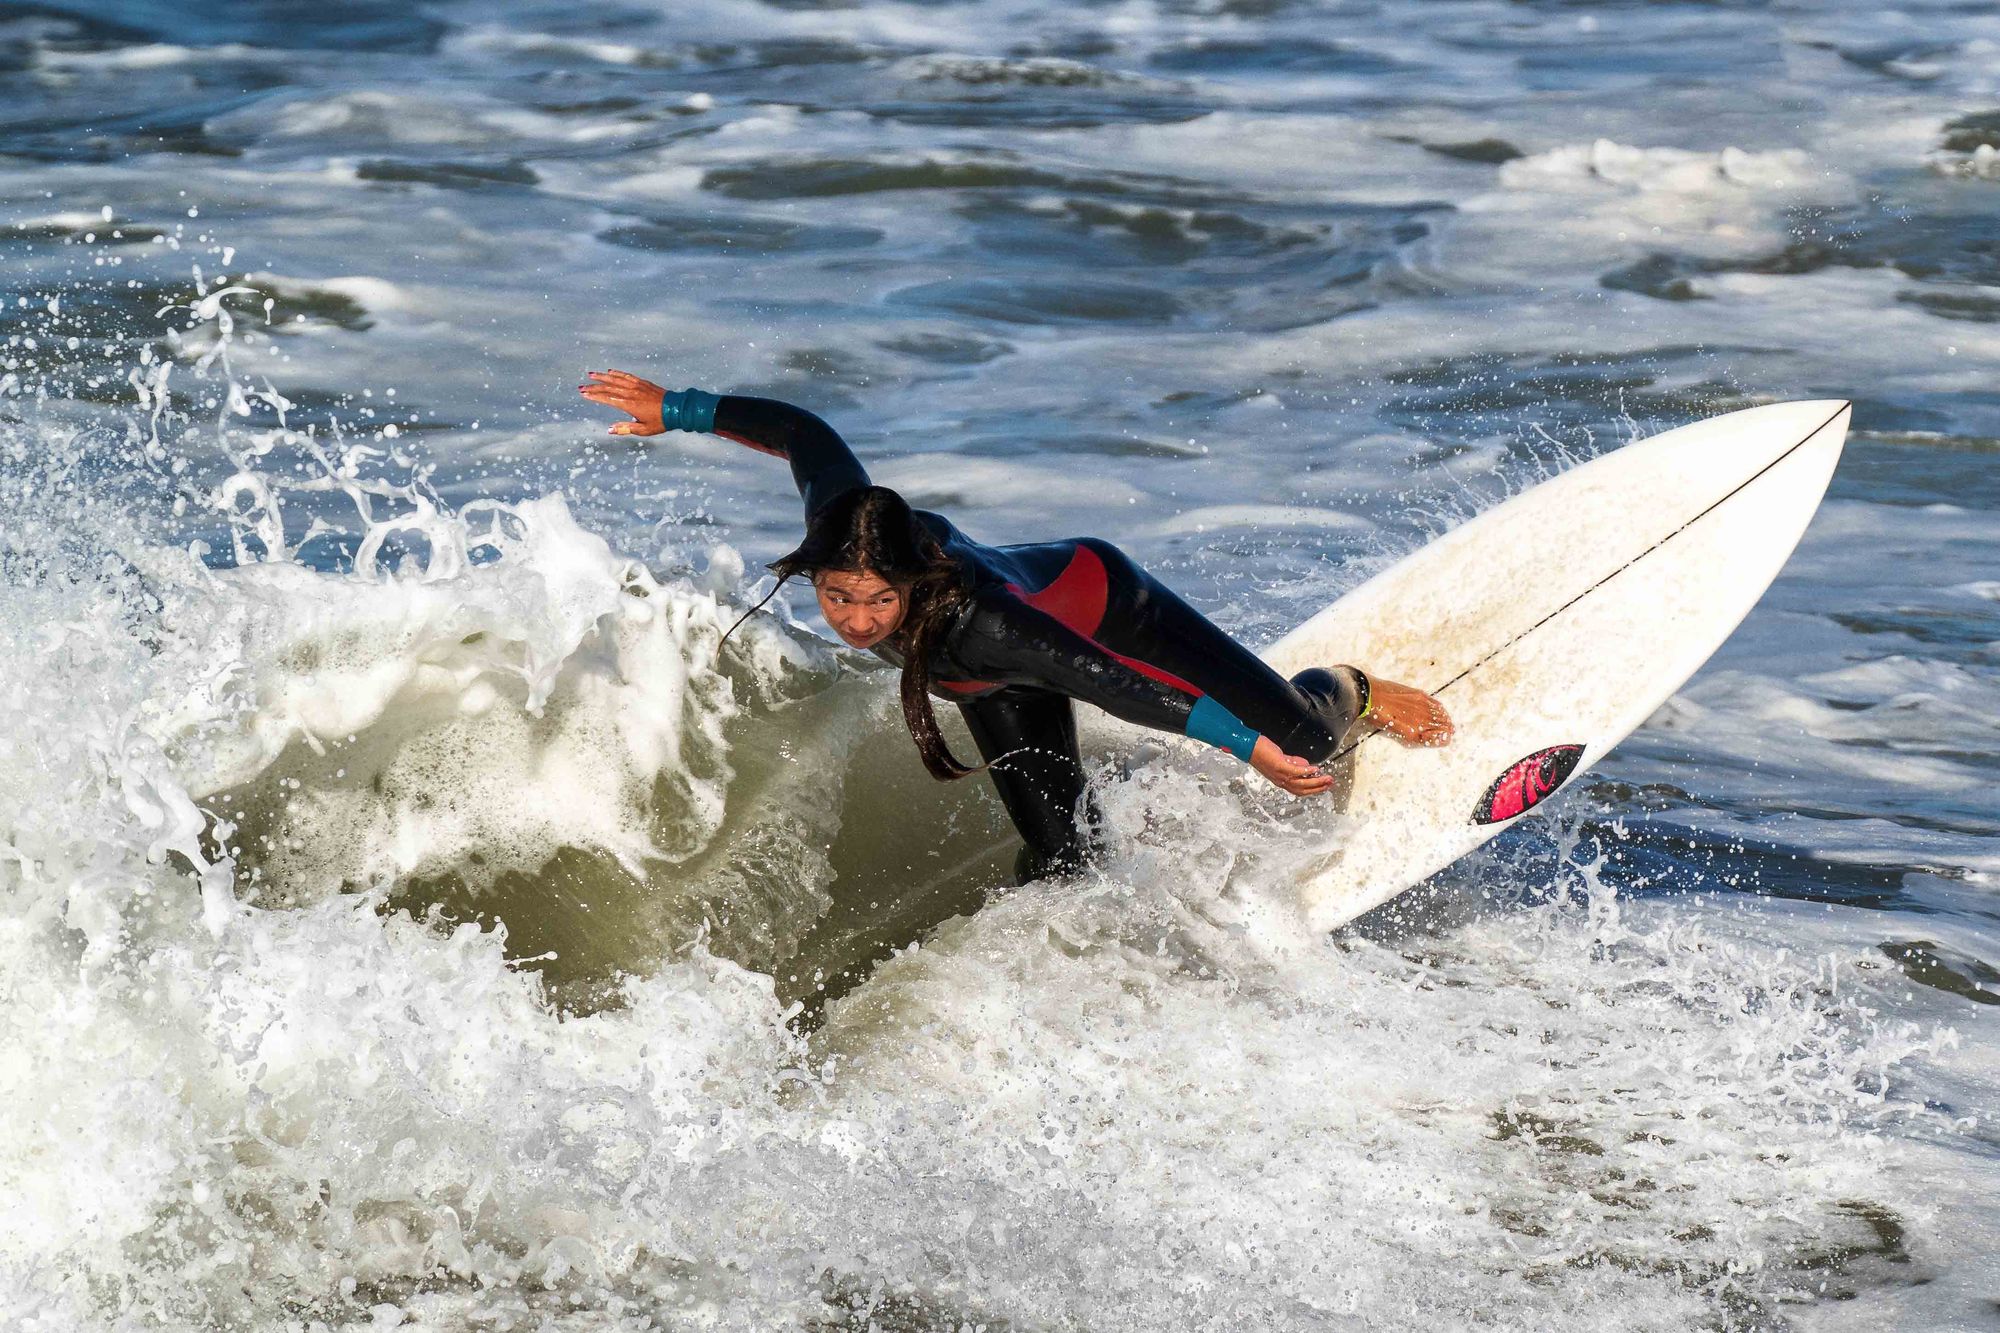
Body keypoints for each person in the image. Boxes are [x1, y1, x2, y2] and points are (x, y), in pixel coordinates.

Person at [582, 369, 1453, 881]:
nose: (855, 621)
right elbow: (804, 432)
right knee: (1065, 855)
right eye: (837, 598)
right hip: (991, 687)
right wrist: (680, 408)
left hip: (1104, 604)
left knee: (1306, 742)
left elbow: (1123, 684)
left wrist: (1251, 749)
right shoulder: (850, 521)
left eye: (876, 604)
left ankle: (1356, 686)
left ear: (912, 581)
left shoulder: (982, 622)